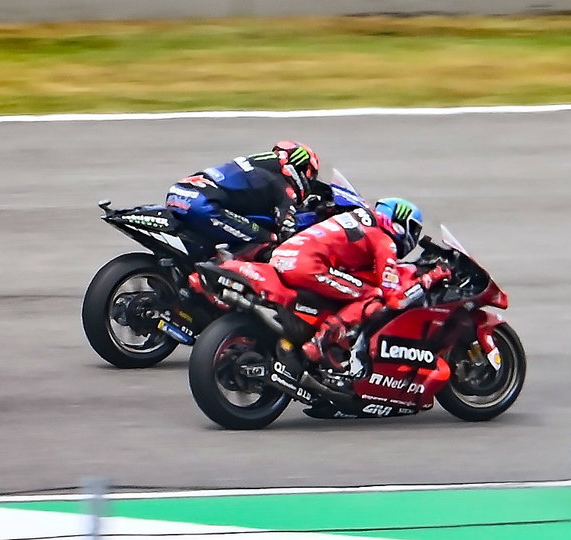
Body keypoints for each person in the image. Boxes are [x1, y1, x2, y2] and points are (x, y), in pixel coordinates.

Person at [269, 197, 444, 373]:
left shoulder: (359, 220)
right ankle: (321, 344)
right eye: (412, 229)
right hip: (307, 265)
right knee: (373, 295)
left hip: (285, 256)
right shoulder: (384, 240)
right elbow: (393, 298)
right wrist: (429, 278)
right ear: (399, 222)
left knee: (359, 288)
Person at [165, 141, 326, 252]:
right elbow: (287, 226)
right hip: (201, 202)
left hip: (180, 192)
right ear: (302, 169)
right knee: (268, 239)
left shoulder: (259, 165)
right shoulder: (281, 184)